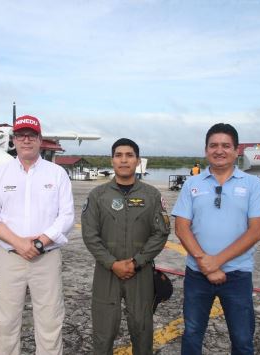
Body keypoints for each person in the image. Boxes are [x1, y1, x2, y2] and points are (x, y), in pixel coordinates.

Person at [171, 123, 260, 355]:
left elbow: (257, 231)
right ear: (206, 150)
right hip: (197, 275)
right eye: (213, 145)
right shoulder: (192, 184)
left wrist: (215, 262)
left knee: (243, 338)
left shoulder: (252, 185)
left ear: (237, 150)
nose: (219, 150)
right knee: (193, 334)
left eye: (226, 145)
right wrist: (203, 262)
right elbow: (182, 227)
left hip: (238, 275)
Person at [0, 115, 74, 355]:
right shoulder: (0, 174)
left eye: (31, 135)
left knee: (50, 322)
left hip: (46, 258)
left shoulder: (57, 174)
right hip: (9, 257)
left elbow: (66, 217)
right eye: (21, 135)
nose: (26, 140)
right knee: (6, 323)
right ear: (14, 140)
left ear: (40, 139)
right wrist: (19, 243)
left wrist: (39, 242)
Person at [81, 138, 170, 355]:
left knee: (142, 330)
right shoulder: (98, 196)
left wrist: (137, 262)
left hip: (140, 272)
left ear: (137, 161)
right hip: (106, 272)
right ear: (112, 160)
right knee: (103, 333)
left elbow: (161, 232)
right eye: (119, 155)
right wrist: (112, 264)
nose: (124, 160)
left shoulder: (151, 195)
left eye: (129, 155)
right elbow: (90, 235)